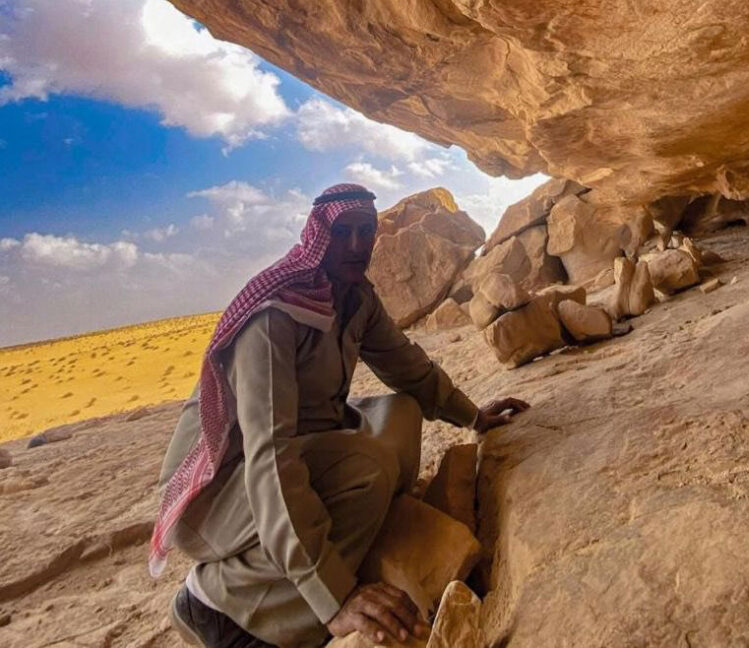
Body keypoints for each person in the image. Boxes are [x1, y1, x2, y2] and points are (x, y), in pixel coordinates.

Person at [154, 182, 529, 648]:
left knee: (402, 415)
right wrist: (335, 598)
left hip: (288, 454)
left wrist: (472, 417)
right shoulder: (275, 316)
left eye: (365, 231)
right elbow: (269, 455)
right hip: (218, 492)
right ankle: (216, 606)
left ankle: (336, 539)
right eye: (343, 232)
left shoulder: (353, 297)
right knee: (364, 470)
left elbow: (406, 366)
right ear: (319, 238)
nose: (356, 244)